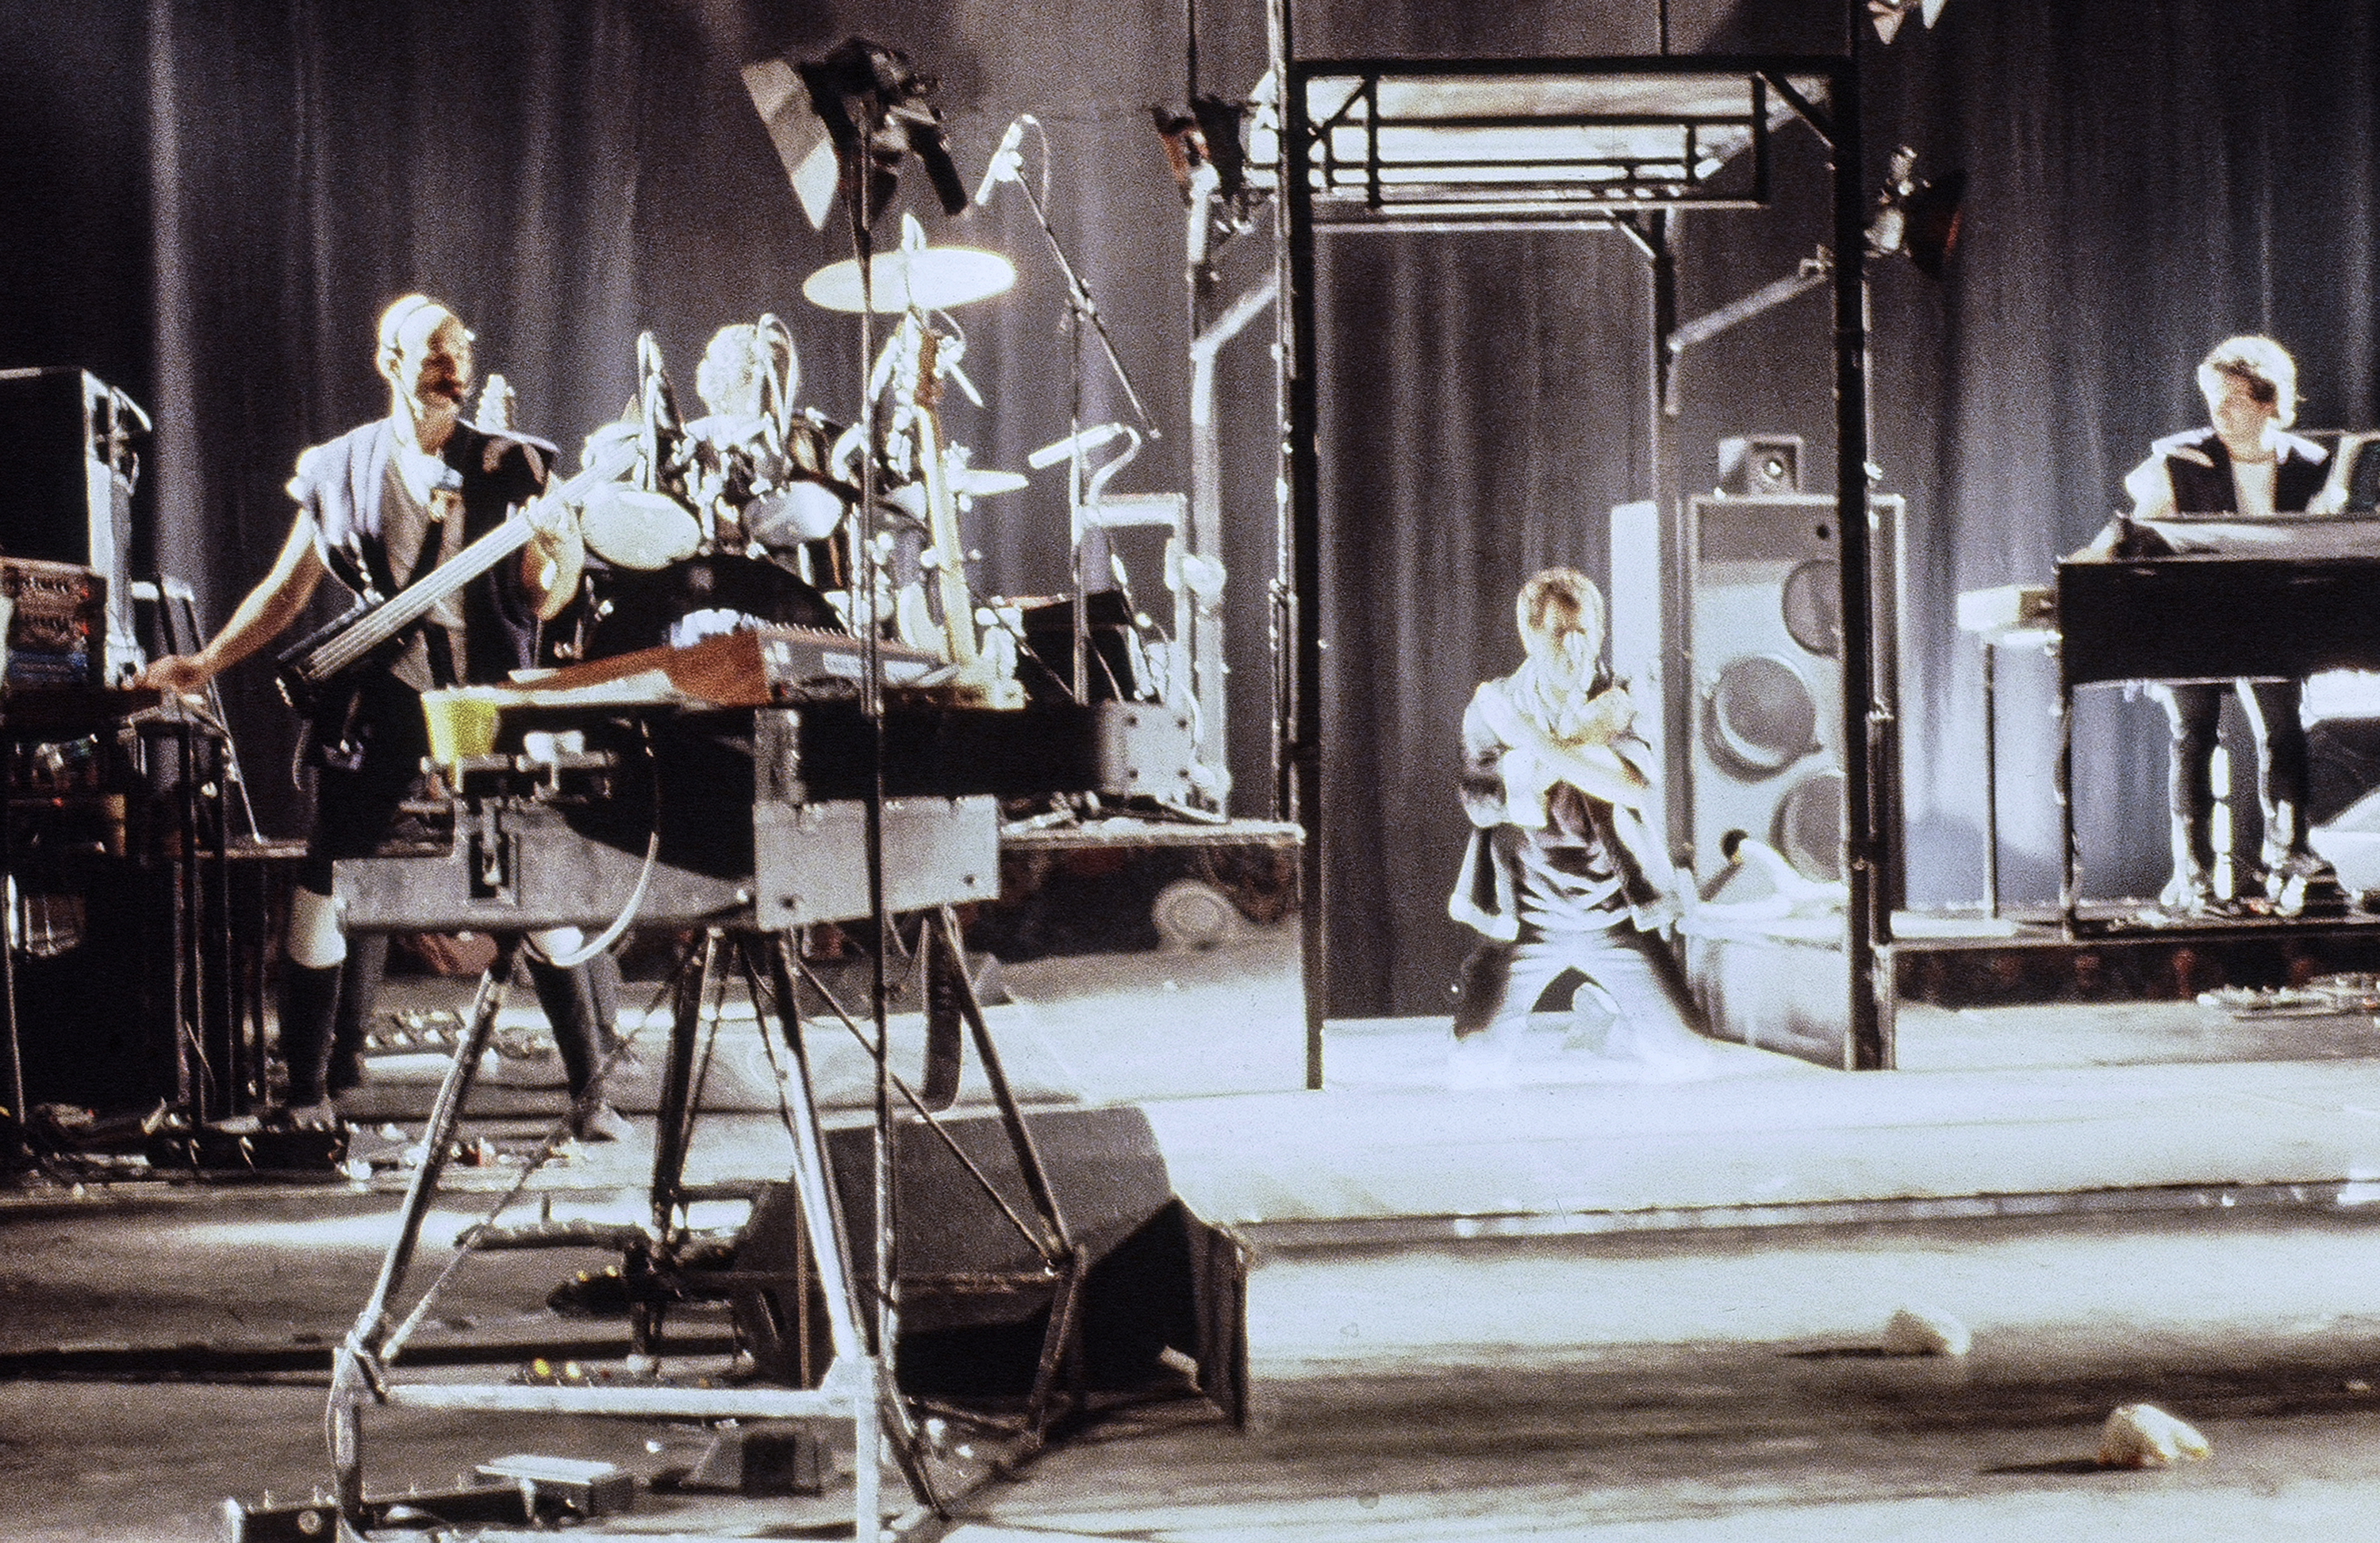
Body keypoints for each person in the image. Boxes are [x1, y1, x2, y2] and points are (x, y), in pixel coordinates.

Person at [140, 294, 628, 1138]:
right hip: (388, 692)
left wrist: (556, 548)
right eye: (435, 355)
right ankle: (305, 1095)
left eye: (461, 356)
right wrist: (207, 660)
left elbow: (549, 594)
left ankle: (591, 1095)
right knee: (326, 879)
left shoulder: (515, 464)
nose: (454, 370)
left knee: (534, 884)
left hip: (486, 695)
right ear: (390, 362)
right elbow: (289, 588)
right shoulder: (340, 466)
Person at [2082, 335, 2345, 915]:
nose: (2218, 411)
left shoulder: (2309, 463)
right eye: (2212, 398)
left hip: (2271, 618)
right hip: (2191, 618)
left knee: (2283, 732)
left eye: (2232, 398)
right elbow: (2134, 533)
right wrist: (2082, 577)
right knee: (2194, 734)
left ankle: (2291, 850)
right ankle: (2193, 870)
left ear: (2268, 401)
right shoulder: (2179, 459)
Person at [1445, 568, 1715, 1087]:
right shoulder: (1492, 705)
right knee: (1475, 1064)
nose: (1573, 646)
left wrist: (1528, 739)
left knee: (1688, 1057)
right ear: (1528, 635)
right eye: (1558, 632)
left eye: (1584, 632)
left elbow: (1630, 786)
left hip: (1616, 915)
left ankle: (1604, 1029)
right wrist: (1586, 734)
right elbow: (1492, 805)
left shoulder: (1623, 694)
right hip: (1525, 920)